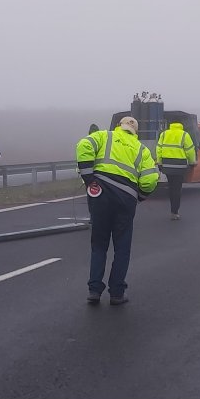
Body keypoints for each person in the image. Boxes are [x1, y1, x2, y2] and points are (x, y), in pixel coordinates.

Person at [76, 116, 158, 305]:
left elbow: (83, 145)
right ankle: (117, 293)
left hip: (101, 194)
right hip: (126, 199)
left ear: (119, 126)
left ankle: (94, 290)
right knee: (122, 248)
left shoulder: (105, 136)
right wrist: (140, 196)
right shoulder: (141, 150)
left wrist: (89, 179)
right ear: (135, 131)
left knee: (98, 245)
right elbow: (150, 178)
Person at [156, 121, 197, 220]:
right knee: (177, 188)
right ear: (181, 126)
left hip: (167, 165)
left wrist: (159, 162)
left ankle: (173, 209)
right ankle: (175, 211)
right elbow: (190, 150)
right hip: (180, 166)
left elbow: (158, 149)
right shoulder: (184, 135)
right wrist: (192, 162)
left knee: (171, 187)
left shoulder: (164, 134)